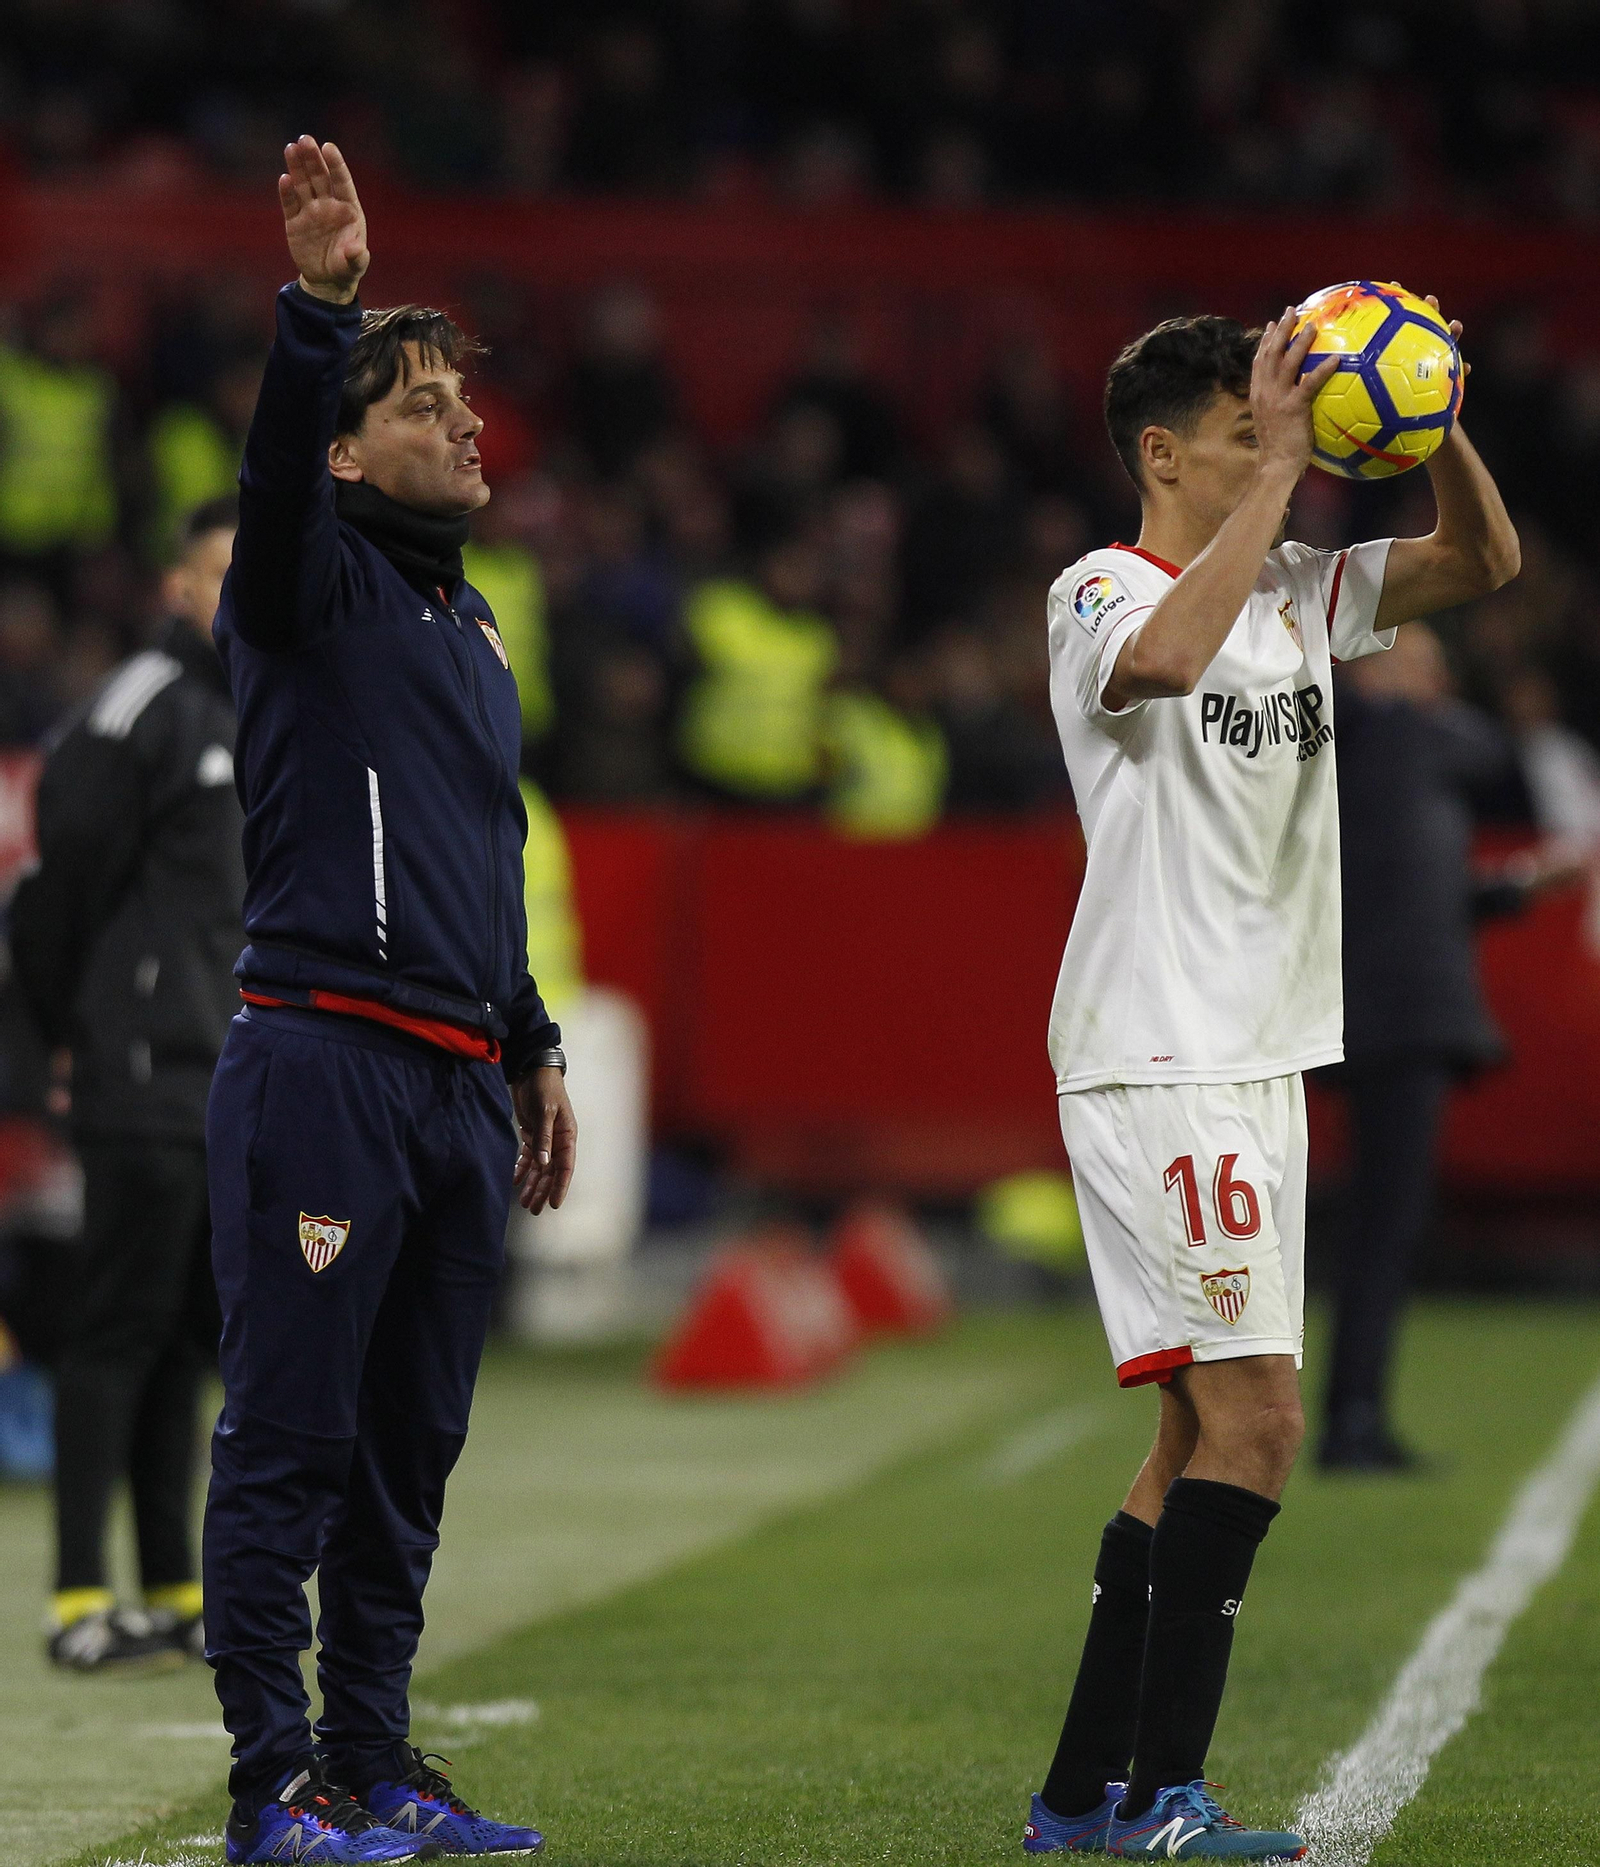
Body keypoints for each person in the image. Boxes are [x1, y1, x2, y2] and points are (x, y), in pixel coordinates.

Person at [1025, 310, 1517, 1858]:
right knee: (1261, 1422)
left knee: (1190, 1442)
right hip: (1160, 1047)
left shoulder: (1301, 592)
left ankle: (1078, 1796)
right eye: (1250, 431)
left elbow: (1483, 564)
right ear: (1166, 453)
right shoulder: (1100, 589)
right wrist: (1285, 479)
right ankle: (1166, 1797)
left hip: (1260, 1058)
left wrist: (1431, 416)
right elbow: (1168, 657)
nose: (1281, 452)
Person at [203, 138, 577, 1865]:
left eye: (462, 400)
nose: (464, 423)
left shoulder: (472, 620)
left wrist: (530, 1037)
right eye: (422, 405)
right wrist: (319, 313)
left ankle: (374, 1765)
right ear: (349, 448)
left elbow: (470, 858)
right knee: (290, 1439)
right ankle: (270, 1787)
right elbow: (277, 474)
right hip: (324, 1064)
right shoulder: (303, 582)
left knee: (407, 1456)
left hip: (446, 1077)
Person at [10, 496, 242, 1671]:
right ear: (176, 585)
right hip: (141, 1061)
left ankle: (170, 1585)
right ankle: (73, 1600)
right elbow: (54, 890)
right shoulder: (140, 706)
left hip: (218, 1065)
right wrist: (71, 1027)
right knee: (112, 1332)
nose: (237, 591)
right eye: (220, 570)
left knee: (177, 1338)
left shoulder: (242, 703)